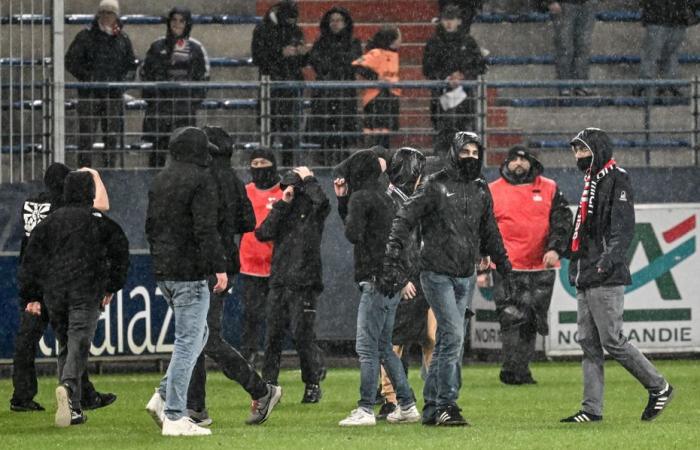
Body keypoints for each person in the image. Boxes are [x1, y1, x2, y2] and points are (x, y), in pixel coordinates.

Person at [379, 131, 512, 426]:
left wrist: (505, 265)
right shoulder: (434, 185)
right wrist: (393, 251)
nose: (470, 158)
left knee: (447, 341)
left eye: (475, 153)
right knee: (452, 336)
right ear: (453, 153)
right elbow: (405, 218)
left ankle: (432, 406)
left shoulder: (479, 188)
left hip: (464, 273)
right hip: (436, 272)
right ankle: (446, 403)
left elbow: (489, 229)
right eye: (465, 152)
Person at [561, 128, 674, 423]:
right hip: (587, 272)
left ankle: (659, 386)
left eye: (583, 150)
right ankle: (591, 410)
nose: (578, 156)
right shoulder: (592, 181)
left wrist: (604, 262)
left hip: (604, 274)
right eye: (575, 151)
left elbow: (623, 229)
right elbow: (586, 230)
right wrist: (576, 263)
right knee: (588, 342)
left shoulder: (616, 178)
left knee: (611, 340)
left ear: (598, 150)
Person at [144, 127, 241, 436]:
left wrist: (161, 263)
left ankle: (162, 395)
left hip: (165, 272)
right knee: (190, 341)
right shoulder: (201, 180)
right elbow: (205, 229)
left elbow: (150, 228)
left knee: (199, 336)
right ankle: (174, 415)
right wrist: (219, 267)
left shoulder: (161, 180)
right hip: (191, 272)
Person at [185, 127, 281, 427]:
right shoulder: (234, 181)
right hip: (227, 262)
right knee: (202, 338)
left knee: (203, 339)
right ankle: (196, 406)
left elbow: (201, 226)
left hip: (208, 266)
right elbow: (247, 222)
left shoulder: (203, 179)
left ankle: (256, 390)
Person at [18, 171, 129, 427]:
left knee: (66, 345)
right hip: (86, 290)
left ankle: (74, 409)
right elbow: (120, 252)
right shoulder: (99, 221)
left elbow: (31, 261)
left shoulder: (49, 222)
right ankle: (68, 388)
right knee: (78, 341)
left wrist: (32, 295)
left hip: (54, 293)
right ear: (90, 193)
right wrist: (111, 286)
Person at [334, 149, 420, 426]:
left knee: (367, 348)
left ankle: (366, 408)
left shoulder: (362, 197)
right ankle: (406, 404)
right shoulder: (386, 197)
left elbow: (352, 233)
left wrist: (347, 201)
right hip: (391, 280)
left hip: (374, 278)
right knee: (384, 346)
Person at [485, 146, 572, 385]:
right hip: (507, 266)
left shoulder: (550, 187)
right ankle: (512, 369)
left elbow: (562, 220)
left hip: (540, 265)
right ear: (507, 162)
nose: (519, 164)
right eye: (514, 159)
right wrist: (483, 263)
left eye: (523, 159)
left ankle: (520, 368)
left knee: (533, 319)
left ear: (532, 162)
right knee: (511, 317)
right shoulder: (492, 190)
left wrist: (555, 248)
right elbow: (484, 229)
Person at [255, 166, 329, 403]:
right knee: (273, 335)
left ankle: (312, 382)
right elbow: (262, 232)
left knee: (302, 335)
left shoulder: (313, 211)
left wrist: (310, 180)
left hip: (304, 281)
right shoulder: (283, 210)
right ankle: (268, 384)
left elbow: (323, 203)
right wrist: (282, 205)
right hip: (280, 280)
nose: (290, 191)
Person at [376, 148, 436, 420]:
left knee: (431, 337)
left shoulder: (416, 198)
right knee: (394, 340)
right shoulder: (390, 202)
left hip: (424, 275)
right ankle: (391, 399)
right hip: (405, 279)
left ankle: (435, 396)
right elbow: (387, 246)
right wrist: (400, 278)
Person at [65, 0, 136, 167]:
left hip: (112, 96)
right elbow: (71, 61)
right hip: (90, 94)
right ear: (98, 14)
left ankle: (109, 172)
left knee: (112, 138)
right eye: (103, 12)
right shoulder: (85, 36)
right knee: (86, 138)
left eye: (110, 13)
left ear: (116, 16)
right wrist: (89, 79)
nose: (106, 16)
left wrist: (121, 85)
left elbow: (131, 66)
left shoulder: (123, 39)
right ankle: (85, 174)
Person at [140, 7, 210, 167]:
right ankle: (156, 189)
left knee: (184, 155)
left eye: (181, 21)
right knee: (158, 153)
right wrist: (153, 100)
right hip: (160, 111)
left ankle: (183, 190)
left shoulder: (195, 49)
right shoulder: (157, 47)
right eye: (174, 20)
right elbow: (145, 75)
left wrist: (193, 101)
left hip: (184, 111)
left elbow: (203, 78)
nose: (177, 24)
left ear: (187, 24)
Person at [238, 148, 283, 365]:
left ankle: (279, 356)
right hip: (250, 264)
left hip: (277, 265)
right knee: (251, 314)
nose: (258, 168)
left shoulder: (284, 192)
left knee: (281, 317)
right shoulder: (245, 191)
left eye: (262, 163)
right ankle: (249, 355)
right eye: (254, 164)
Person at [423, 5, 486, 156]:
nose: (449, 23)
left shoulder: (468, 41)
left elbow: (480, 66)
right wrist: (446, 78)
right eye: (446, 19)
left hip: (465, 96)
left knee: (464, 132)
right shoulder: (434, 42)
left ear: (459, 21)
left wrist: (463, 76)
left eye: (452, 19)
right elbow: (427, 68)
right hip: (441, 96)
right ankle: (443, 162)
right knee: (443, 133)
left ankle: (463, 162)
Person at [252, 0, 309, 158]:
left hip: (290, 87)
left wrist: (303, 54)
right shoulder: (263, 30)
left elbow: (302, 62)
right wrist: (280, 53)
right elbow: (258, 57)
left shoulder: (295, 30)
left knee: (289, 133)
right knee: (268, 131)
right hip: (271, 87)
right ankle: (267, 166)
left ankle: (287, 166)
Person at [307, 6, 363, 161]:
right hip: (324, 93)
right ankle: (325, 156)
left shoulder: (353, 42)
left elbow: (354, 61)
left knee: (344, 129)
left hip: (344, 93)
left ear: (345, 23)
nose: (335, 24)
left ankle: (341, 158)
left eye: (338, 20)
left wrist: (335, 60)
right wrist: (337, 61)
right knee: (324, 128)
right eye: (332, 20)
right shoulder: (320, 42)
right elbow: (316, 62)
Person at [352, 26, 402, 150]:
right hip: (377, 99)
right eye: (399, 36)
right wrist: (376, 77)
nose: (401, 39)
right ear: (392, 39)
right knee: (377, 135)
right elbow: (357, 65)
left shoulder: (394, 54)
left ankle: (382, 160)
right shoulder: (377, 53)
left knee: (385, 135)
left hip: (391, 97)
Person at [637, 1, 699, 97]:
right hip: (675, 17)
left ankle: (648, 87)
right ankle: (667, 86)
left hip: (660, 16)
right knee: (669, 55)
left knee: (654, 55)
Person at [546, 1, 595, 96]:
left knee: (583, 46)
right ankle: (565, 86)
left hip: (585, 5)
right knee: (564, 46)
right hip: (565, 5)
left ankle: (580, 85)